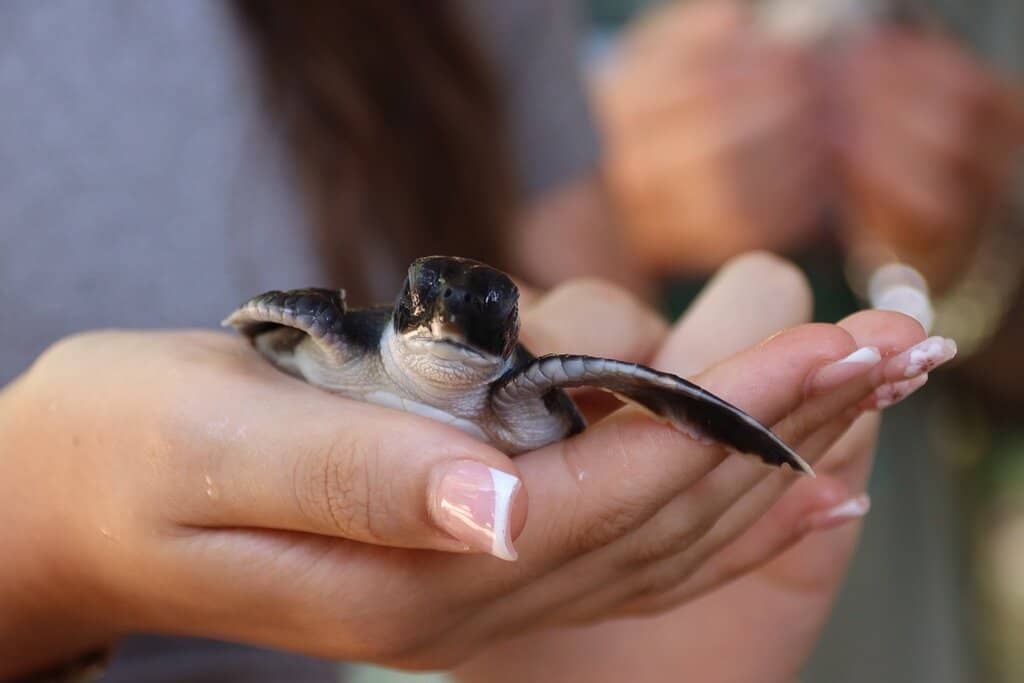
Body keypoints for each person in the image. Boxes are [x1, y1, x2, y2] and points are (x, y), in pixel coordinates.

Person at [0, 2, 948, 681]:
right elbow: (258, 330)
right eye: (434, 304)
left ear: (506, 332)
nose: (454, 321)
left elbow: (600, 344)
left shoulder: (485, 27)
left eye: (484, 311)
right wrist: (41, 524)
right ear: (406, 312)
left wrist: (591, 643)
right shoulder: (334, 337)